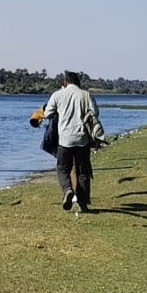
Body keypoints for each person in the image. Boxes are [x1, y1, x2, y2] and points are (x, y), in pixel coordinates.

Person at [42, 70, 103, 214]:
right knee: (83, 172)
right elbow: (95, 112)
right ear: (78, 82)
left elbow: (47, 114)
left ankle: (68, 190)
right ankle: (82, 203)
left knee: (63, 169)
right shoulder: (85, 94)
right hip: (82, 139)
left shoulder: (57, 95)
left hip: (65, 139)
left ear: (65, 82)